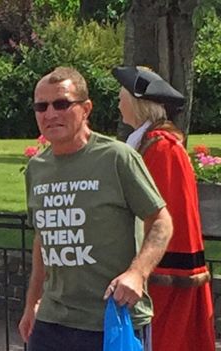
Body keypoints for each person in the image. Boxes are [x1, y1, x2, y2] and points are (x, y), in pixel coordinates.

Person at [18, 66, 173, 351]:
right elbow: (43, 238)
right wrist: (32, 304)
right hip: (52, 322)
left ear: (86, 108)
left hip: (111, 318)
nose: (50, 114)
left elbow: (161, 220)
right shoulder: (36, 169)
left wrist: (137, 273)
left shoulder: (117, 158)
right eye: (41, 106)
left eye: (62, 103)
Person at [113, 65, 215, 351]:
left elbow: (167, 217)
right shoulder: (148, 143)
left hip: (166, 279)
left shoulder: (162, 148)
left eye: (121, 95)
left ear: (136, 103)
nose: (118, 102)